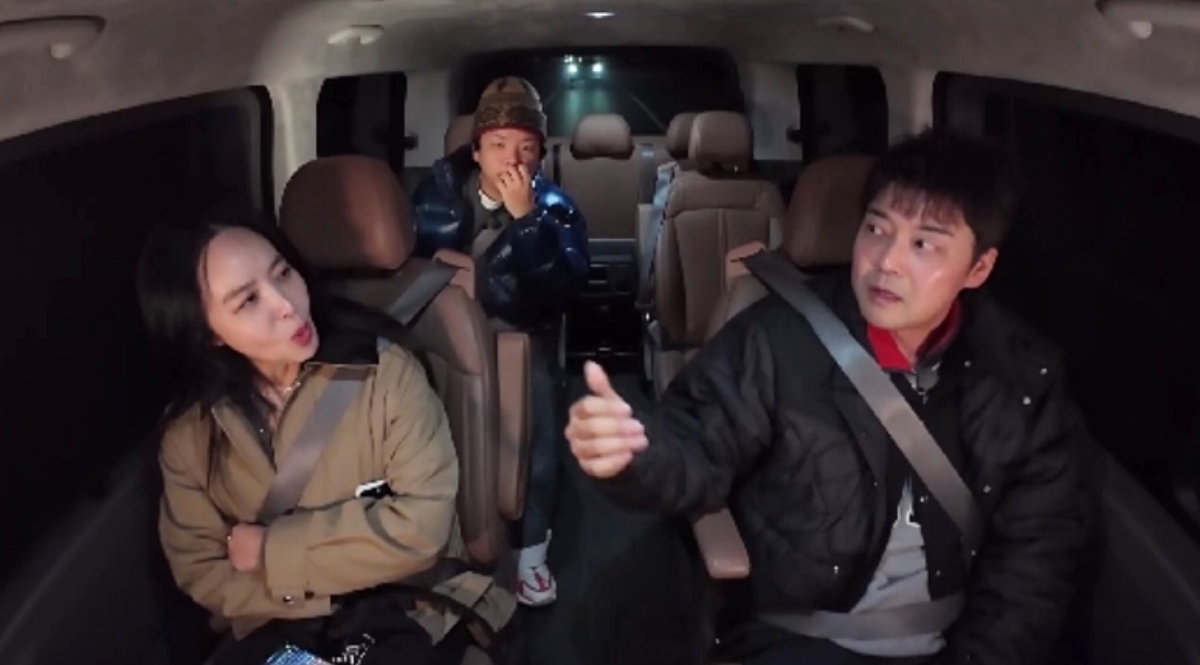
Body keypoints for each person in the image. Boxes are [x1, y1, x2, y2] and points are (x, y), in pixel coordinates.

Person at [565, 130, 1094, 665]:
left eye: (924, 244)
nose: (887, 261)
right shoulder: (775, 337)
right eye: (875, 229)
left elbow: (1036, 559)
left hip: (954, 642)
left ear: (978, 268)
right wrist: (637, 452)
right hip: (798, 639)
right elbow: (696, 441)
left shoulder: (1022, 378)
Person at [138, 220, 494, 665]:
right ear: (208, 332)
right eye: (249, 300)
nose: (287, 305)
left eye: (283, 272)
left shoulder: (385, 375)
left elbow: (423, 528)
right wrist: (320, 592)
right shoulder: (189, 436)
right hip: (276, 628)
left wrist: (269, 552)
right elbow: (200, 570)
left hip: (409, 611)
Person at [411, 76, 589, 607]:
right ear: (475, 149)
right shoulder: (436, 196)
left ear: (541, 154)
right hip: (444, 330)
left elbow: (564, 288)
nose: (512, 159)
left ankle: (532, 552)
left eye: (527, 147)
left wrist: (527, 221)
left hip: (520, 331)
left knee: (536, 426)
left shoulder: (556, 207)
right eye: (498, 144)